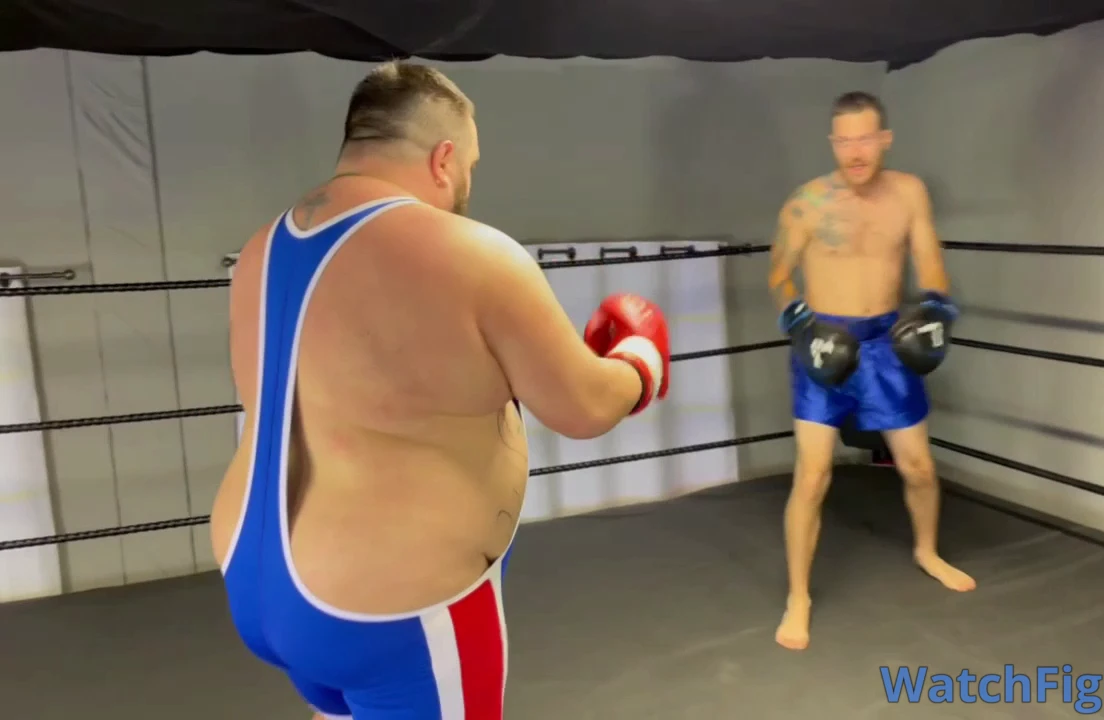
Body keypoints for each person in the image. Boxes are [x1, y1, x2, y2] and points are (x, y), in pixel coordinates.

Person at [209, 60, 670, 719]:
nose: (467, 185)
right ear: (444, 158)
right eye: (471, 167)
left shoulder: (260, 250)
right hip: (387, 605)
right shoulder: (469, 252)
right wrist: (641, 357)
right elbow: (585, 406)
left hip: (255, 575)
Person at [768, 91, 976, 652]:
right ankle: (798, 597)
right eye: (844, 140)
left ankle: (927, 551)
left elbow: (931, 266)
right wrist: (799, 323)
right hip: (823, 340)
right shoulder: (807, 203)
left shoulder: (909, 193)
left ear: (884, 139)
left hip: (885, 344)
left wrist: (936, 309)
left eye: (864, 138)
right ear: (832, 142)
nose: (855, 151)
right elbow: (779, 275)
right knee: (813, 475)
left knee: (919, 467)